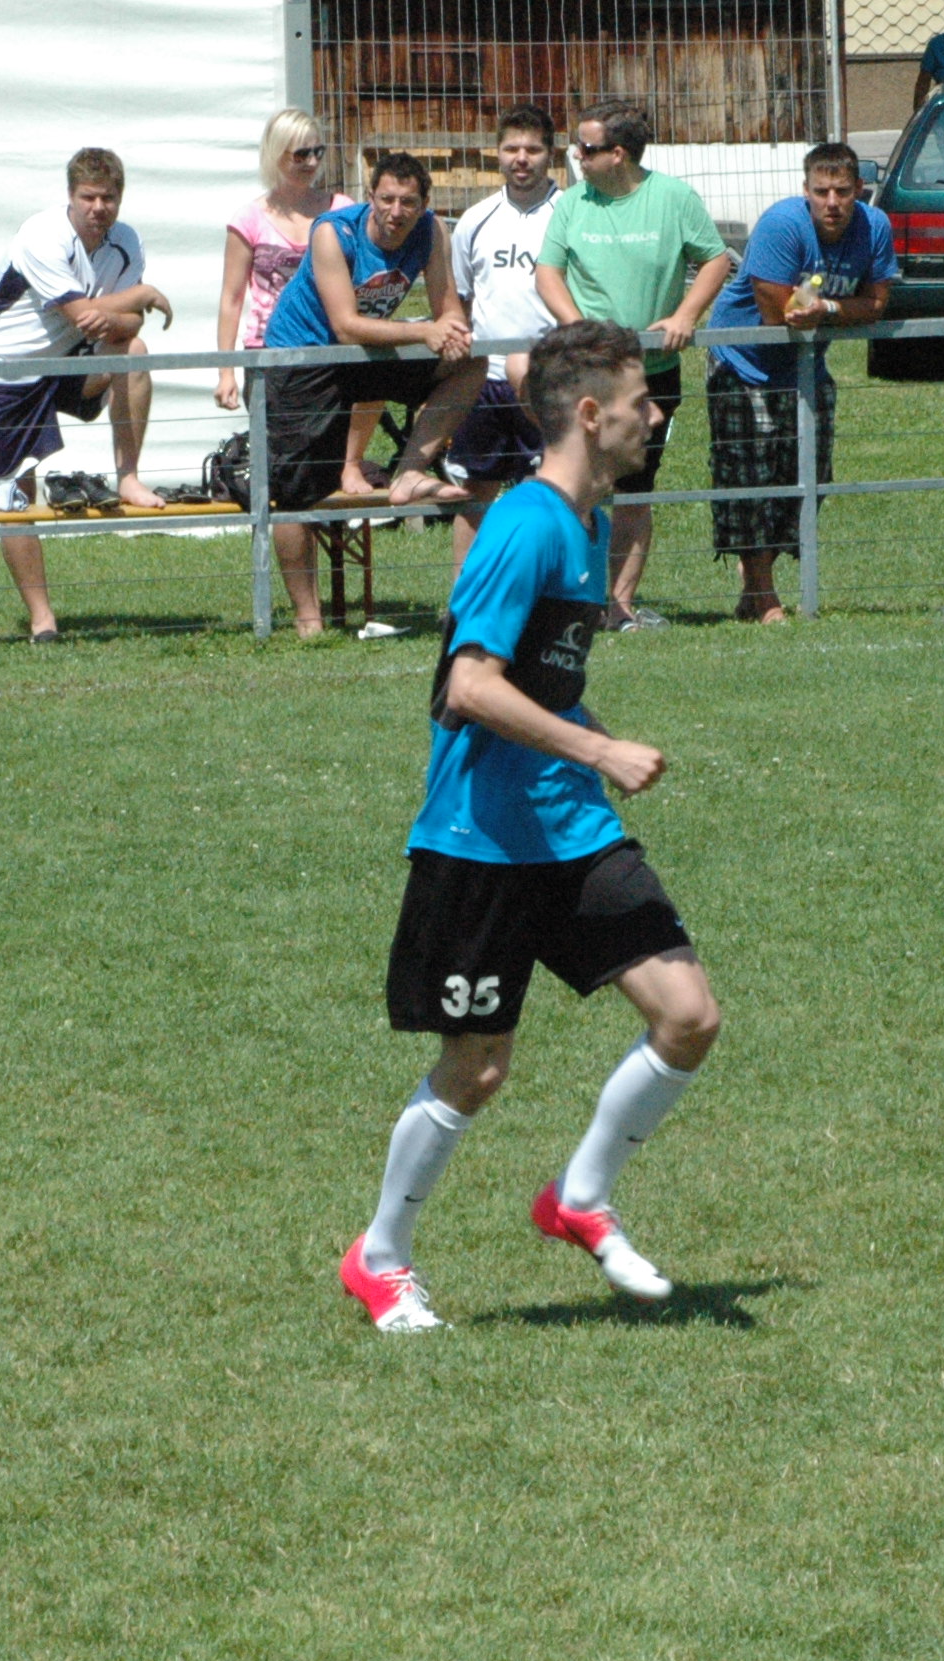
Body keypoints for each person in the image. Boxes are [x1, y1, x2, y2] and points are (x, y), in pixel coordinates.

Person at [340, 319, 720, 1334]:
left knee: (687, 1015)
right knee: (478, 1068)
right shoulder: (525, 525)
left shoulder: (590, 526)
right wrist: (599, 749)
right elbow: (468, 687)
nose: (654, 416)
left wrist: (589, 742)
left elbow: (542, 681)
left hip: (571, 829)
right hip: (480, 838)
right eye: (639, 402)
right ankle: (380, 1258)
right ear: (590, 415)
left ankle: (579, 1199)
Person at [259, 150, 488, 638]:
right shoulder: (333, 233)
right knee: (296, 494)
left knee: (471, 364)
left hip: (366, 354)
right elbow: (345, 325)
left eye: (408, 202)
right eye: (386, 199)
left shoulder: (431, 231)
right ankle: (308, 621)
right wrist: (425, 330)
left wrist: (452, 330)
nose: (396, 212)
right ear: (370, 197)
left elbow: (447, 309)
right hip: (303, 356)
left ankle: (410, 471)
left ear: (424, 204)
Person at [534, 101, 734, 629]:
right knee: (577, 487)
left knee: (634, 490)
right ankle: (571, 599)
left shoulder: (673, 198)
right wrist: (580, 330)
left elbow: (715, 259)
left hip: (653, 373)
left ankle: (618, 606)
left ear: (618, 153)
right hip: (589, 373)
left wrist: (686, 314)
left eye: (586, 148)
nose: (576, 156)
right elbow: (548, 274)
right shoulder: (572, 204)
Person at [0, 147, 175, 642]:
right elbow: (85, 315)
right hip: (3, 371)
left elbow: (125, 325)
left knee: (133, 350)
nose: (99, 208)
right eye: (88, 197)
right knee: (16, 494)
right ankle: (43, 620)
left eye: (108, 198)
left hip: (66, 362)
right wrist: (141, 295)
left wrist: (116, 313)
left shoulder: (126, 241)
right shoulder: (41, 235)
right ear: (70, 196)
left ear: (120, 198)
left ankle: (128, 477)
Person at [704, 142, 895, 623]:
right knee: (749, 478)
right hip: (742, 361)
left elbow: (876, 304)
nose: (832, 203)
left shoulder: (875, 227)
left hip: (806, 367)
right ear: (804, 190)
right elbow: (778, 314)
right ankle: (764, 596)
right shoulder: (781, 224)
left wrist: (826, 307)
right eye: (821, 191)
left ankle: (756, 583)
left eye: (843, 192)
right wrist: (824, 310)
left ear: (860, 190)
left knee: (810, 476)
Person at [446, 105, 565, 569]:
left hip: (548, 380)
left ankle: (545, 590)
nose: (522, 159)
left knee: (551, 490)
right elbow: (460, 300)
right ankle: (464, 594)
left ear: (550, 154)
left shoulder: (568, 215)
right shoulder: (475, 219)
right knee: (474, 490)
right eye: (511, 148)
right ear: (495, 153)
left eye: (533, 149)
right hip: (486, 380)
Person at [216, 109, 353, 411]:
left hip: (329, 347)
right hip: (267, 351)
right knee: (274, 439)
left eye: (318, 152)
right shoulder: (249, 219)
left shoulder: (342, 210)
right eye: (301, 155)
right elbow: (231, 299)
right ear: (276, 154)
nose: (312, 162)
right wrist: (226, 373)